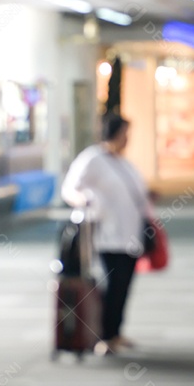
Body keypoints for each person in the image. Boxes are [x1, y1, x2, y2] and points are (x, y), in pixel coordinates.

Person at [60, 114, 152, 356]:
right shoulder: (93, 159)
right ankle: (105, 335)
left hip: (131, 235)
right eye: (125, 134)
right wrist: (84, 200)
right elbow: (70, 188)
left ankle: (116, 332)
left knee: (124, 286)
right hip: (107, 236)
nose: (127, 139)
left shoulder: (123, 163)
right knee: (112, 285)